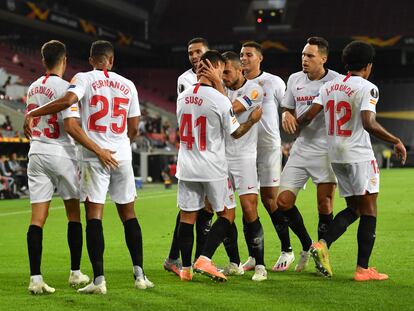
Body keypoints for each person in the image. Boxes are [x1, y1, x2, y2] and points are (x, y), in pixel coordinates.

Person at [24, 40, 153, 294]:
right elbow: (135, 127)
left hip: (86, 155)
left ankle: (98, 280)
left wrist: (33, 113)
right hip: (120, 156)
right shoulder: (128, 84)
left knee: (93, 216)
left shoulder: (78, 79)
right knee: (129, 214)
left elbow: (70, 109)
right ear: (112, 60)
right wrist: (122, 145)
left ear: (91, 59)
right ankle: (139, 275)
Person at [299, 40, 407, 281]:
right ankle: (363, 269)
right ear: (368, 66)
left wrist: (289, 118)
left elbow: (307, 117)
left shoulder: (328, 87)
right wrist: (396, 140)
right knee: (369, 209)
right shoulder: (368, 87)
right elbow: (369, 123)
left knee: (353, 208)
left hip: (335, 155)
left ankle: (322, 244)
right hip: (358, 154)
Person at [176, 50, 262, 282]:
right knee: (227, 213)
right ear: (215, 67)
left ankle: (186, 270)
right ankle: (204, 258)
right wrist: (252, 121)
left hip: (186, 164)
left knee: (187, 216)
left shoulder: (182, 96)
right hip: (212, 166)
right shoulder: (220, 99)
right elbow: (235, 133)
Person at [24, 40, 89, 294]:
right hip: (62, 153)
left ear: (43, 61)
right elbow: (71, 125)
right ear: (64, 60)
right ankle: (75, 273)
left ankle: (35, 279)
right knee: (74, 214)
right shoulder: (66, 87)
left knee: (37, 219)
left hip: (36, 152)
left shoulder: (32, 87)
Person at [276, 37, 339, 272]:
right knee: (282, 202)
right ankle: (306, 244)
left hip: (325, 149)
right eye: (303, 55)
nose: (304, 59)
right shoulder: (294, 79)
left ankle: (322, 256)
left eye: (310, 56)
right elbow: (288, 107)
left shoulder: (335, 81)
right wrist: (285, 115)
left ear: (323, 58)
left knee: (324, 204)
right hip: (301, 148)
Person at [216, 51, 267, 281]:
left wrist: (216, 86)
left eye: (227, 72)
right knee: (225, 212)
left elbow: (230, 110)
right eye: (221, 72)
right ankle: (234, 262)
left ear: (240, 70)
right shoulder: (221, 88)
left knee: (249, 209)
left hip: (244, 157)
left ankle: (260, 266)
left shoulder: (254, 89)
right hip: (220, 158)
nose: (223, 76)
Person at [164, 37, 212, 276]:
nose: (194, 56)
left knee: (202, 208)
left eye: (198, 52)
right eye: (190, 53)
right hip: (196, 152)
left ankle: (192, 259)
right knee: (195, 209)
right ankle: (189, 260)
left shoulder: (218, 73)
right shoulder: (185, 80)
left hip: (209, 151)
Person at [239, 41, 287, 273]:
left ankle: (287, 249)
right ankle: (252, 255)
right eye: (241, 55)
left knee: (270, 201)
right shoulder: (235, 83)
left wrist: (288, 115)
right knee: (247, 204)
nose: (244, 58)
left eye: (248, 54)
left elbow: (288, 107)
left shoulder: (274, 82)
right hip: (244, 150)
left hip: (268, 148)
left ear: (260, 58)